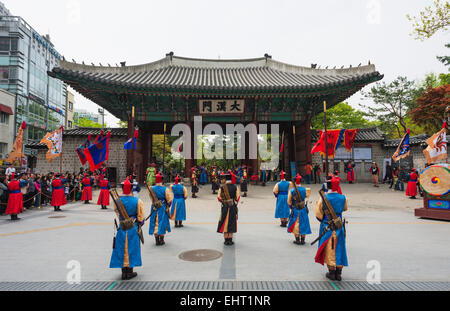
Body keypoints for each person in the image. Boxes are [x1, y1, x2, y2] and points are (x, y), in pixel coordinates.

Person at [110, 177, 145, 280]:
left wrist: (123, 220)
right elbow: (141, 217)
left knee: (121, 247)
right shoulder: (137, 201)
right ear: (131, 189)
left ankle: (123, 272)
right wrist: (138, 221)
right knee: (131, 248)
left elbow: (117, 212)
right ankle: (129, 271)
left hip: (122, 227)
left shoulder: (117, 200)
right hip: (132, 227)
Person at [314, 177, 348, 281]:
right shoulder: (343, 197)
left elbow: (318, 214)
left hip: (327, 225)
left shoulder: (323, 198)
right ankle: (339, 272)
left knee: (329, 248)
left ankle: (332, 272)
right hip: (338, 226)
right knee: (339, 247)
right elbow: (345, 208)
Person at [148, 172, 173, 246]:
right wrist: (167, 206)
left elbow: (151, 198)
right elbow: (169, 200)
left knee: (154, 221)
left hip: (154, 207)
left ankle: (156, 240)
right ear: (162, 180)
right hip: (162, 207)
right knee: (162, 222)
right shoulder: (165, 189)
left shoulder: (151, 188)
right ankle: (161, 240)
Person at [287, 174, 312, 245]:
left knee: (296, 224)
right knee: (303, 223)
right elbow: (307, 196)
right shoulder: (305, 190)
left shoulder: (292, 190)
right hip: (303, 208)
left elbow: (289, 201)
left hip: (295, 208)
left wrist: (291, 207)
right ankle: (303, 239)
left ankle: (297, 239)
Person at [217, 172, 240, 246]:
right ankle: (230, 239)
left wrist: (224, 201)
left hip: (225, 207)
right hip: (232, 206)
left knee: (224, 222)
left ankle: (226, 239)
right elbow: (237, 198)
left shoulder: (222, 187)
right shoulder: (235, 187)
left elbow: (219, 198)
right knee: (231, 222)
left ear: (225, 179)